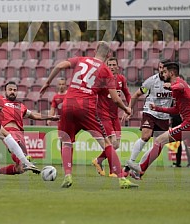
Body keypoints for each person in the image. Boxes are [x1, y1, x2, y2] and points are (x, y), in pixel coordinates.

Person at [39, 41, 138, 189]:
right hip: (86, 107)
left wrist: (47, 82)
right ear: (109, 55)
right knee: (106, 143)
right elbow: (116, 99)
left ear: (95, 50)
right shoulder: (106, 70)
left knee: (66, 141)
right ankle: (122, 180)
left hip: (68, 104)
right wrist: (126, 108)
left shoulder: (81, 59)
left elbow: (59, 66)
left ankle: (67, 175)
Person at [0, 81, 59, 179]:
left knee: (20, 169)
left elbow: (34, 115)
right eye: (10, 90)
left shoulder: (21, 106)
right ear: (5, 91)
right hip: (7, 131)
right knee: (17, 148)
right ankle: (26, 161)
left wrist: (50, 117)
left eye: (15, 90)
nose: (12, 92)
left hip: (20, 133)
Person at [122, 59, 173, 179]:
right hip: (150, 112)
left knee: (158, 144)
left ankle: (139, 169)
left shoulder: (174, 83)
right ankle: (129, 165)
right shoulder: (151, 81)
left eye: (164, 69)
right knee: (145, 136)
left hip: (164, 116)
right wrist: (129, 108)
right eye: (160, 68)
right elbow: (136, 95)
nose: (161, 71)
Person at [92, 57, 131, 177]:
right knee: (112, 142)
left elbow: (128, 94)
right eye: (109, 65)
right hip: (103, 115)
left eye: (114, 64)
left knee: (116, 145)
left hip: (115, 116)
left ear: (118, 66)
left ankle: (98, 160)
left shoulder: (121, 79)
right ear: (106, 66)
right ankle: (112, 171)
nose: (112, 67)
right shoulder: (102, 80)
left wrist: (129, 109)